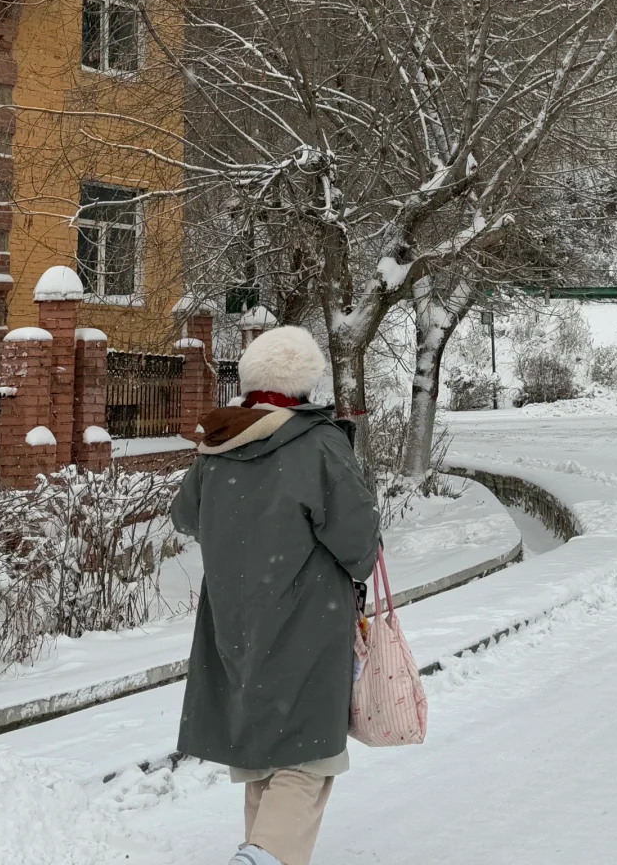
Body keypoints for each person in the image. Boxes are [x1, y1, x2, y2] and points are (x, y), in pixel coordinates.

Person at [171, 325, 380, 865]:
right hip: (309, 617)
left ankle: (257, 850)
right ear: (306, 383)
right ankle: (264, 855)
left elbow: (185, 516)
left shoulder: (218, 445)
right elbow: (358, 541)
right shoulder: (318, 443)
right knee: (308, 756)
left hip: (234, 619)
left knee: (262, 749)